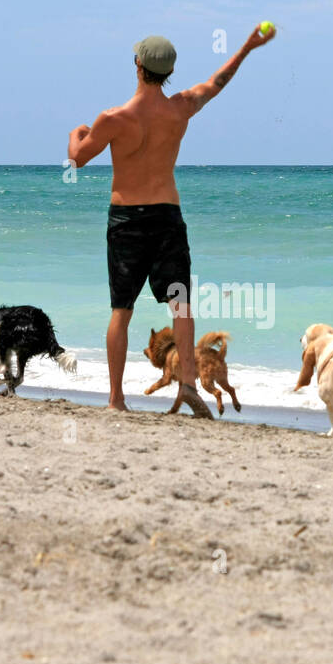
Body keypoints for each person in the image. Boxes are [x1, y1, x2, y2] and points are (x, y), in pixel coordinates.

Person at [67, 23, 276, 416]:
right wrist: (248, 45)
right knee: (180, 306)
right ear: (169, 72)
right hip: (167, 216)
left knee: (121, 309)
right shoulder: (181, 108)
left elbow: (77, 158)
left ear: (137, 65)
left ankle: (116, 399)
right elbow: (218, 82)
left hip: (127, 220)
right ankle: (188, 385)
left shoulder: (113, 118)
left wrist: (75, 133)